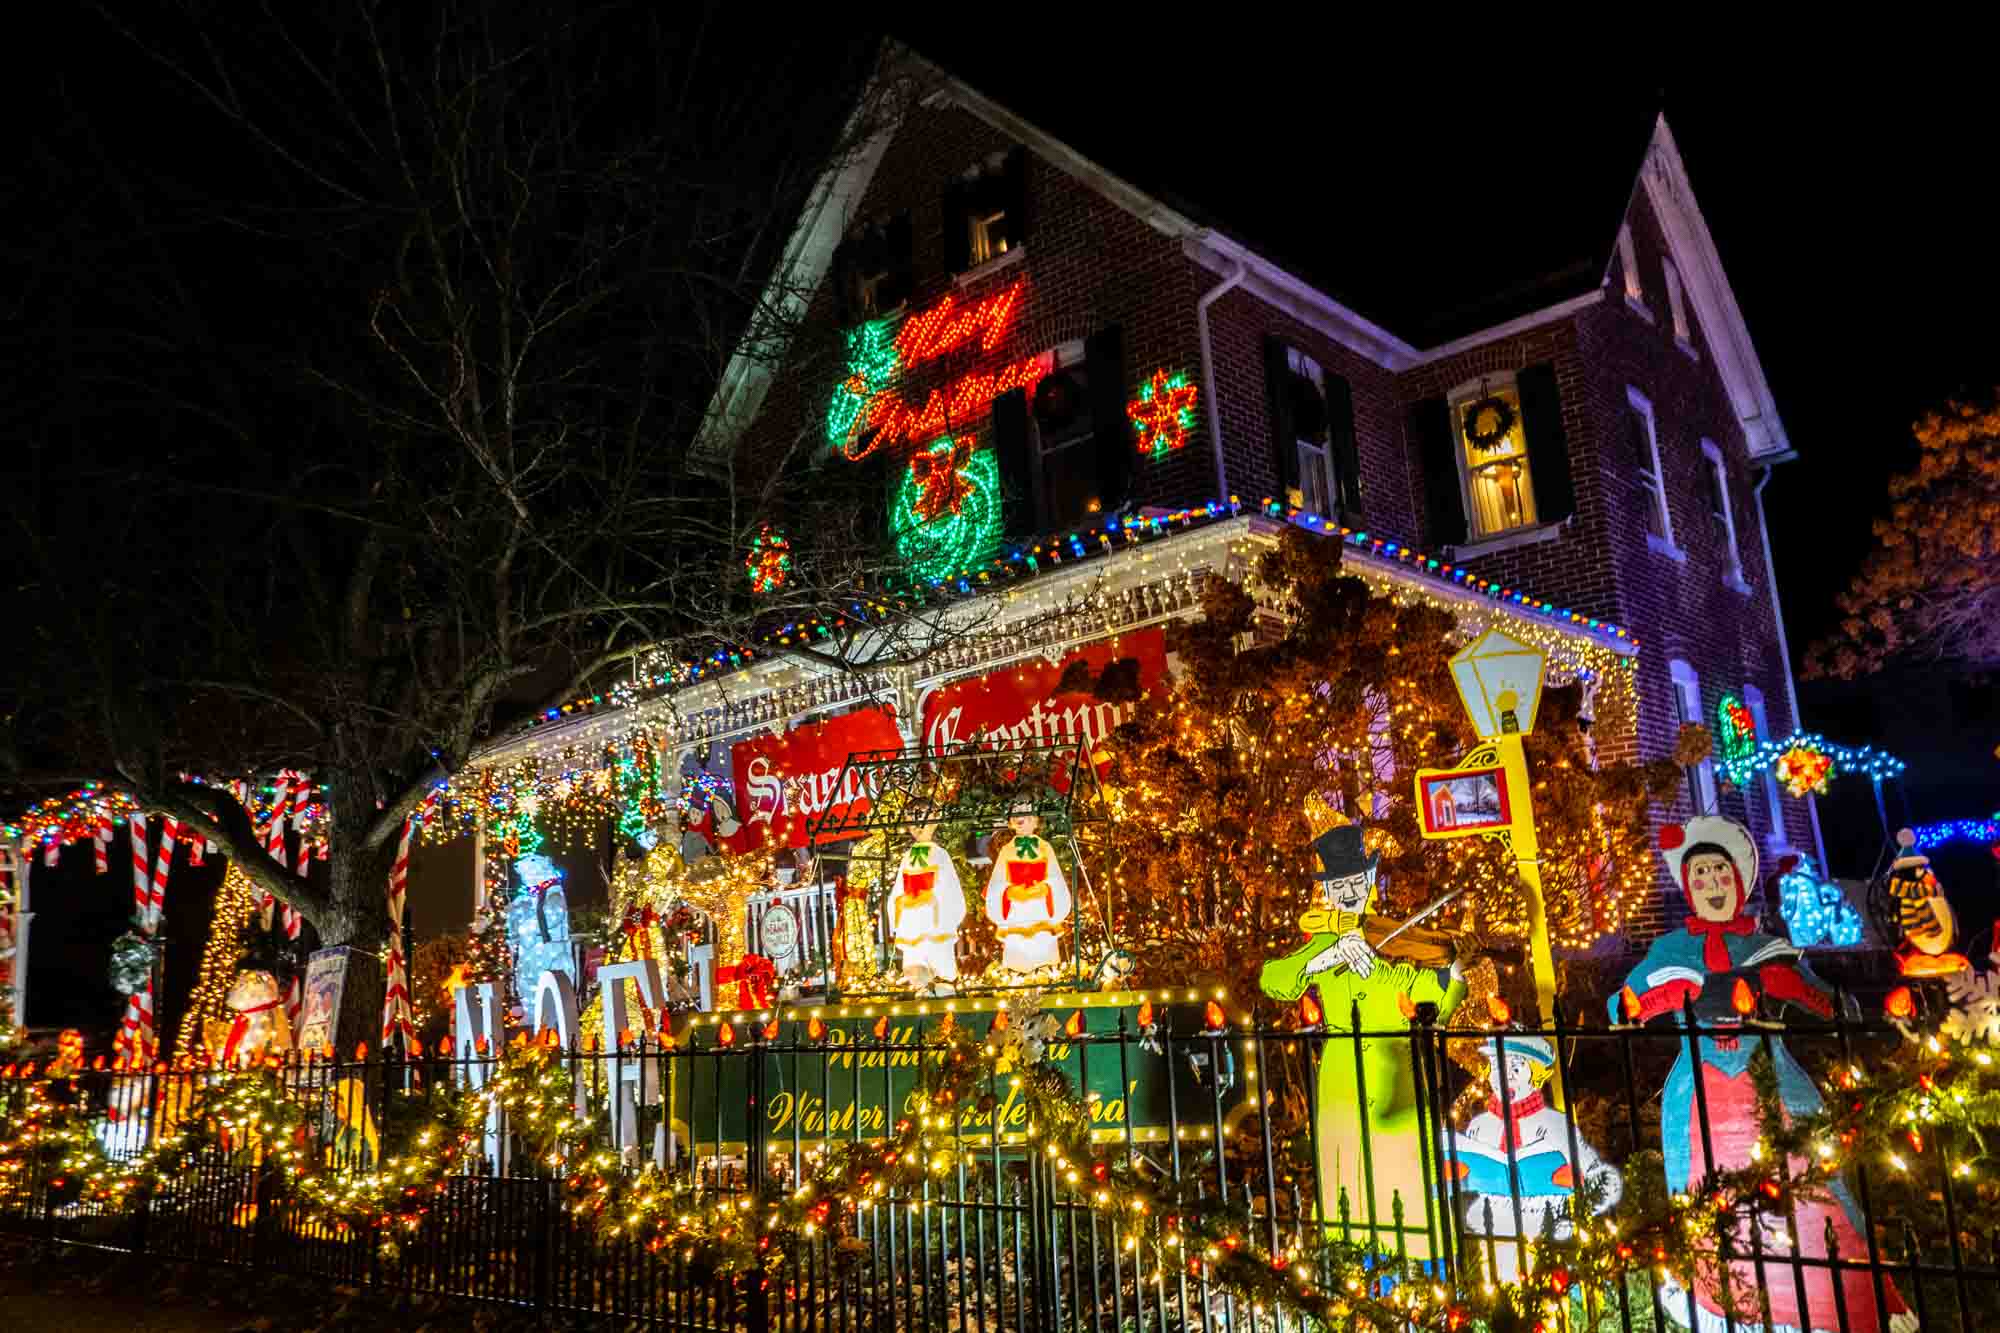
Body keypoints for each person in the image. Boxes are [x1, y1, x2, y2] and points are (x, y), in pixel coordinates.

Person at [1614, 816, 1913, 1333]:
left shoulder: (1765, 946)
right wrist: (1647, 998)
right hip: (1699, 1097)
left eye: (1719, 873)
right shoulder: (1669, 952)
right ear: (1688, 886)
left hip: (1771, 1084)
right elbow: (1619, 1009)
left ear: (1739, 879)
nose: (1711, 885)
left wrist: (1801, 989)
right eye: (1700, 875)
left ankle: (1833, 1304)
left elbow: (1832, 1005)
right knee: (1706, 1195)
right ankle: (1718, 1301)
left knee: (1810, 1184)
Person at [1260, 804, 1463, 1258]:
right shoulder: (1323, 940)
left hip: (1395, 1066)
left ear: (1370, 883)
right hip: (1341, 1075)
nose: (1351, 892)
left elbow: (1440, 1000)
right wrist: (1324, 958)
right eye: (1340, 885)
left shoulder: (1391, 941)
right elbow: (1273, 979)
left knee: (1402, 1167)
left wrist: (1453, 968)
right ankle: (1351, 1263)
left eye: (1358, 882)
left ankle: (1410, 1264)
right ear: (1328, 890)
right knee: (1347, 1168)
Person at [1446, 1031, 1620, 1282]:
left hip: (1545, 1227)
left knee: (1547, 1296)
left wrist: (1579, 1186)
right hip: (1494, 1225)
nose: (1504, 1077)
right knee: (1500, 1292)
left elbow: (1597, 1175)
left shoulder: (1554, 1123)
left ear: (1535, 1074)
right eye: (1497, 1066)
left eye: (1516, 1068)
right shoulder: (1480, 1125)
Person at [983, 799, 1072, 974]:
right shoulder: (1007, 851)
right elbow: (998, 881)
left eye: (1025, 810)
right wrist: (1009, 892)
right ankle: (1018, 970)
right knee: (1017, 947)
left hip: (1040, 907)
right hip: (1017, 909)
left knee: (1043, 942)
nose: (1020, 816)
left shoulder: (1045, 848)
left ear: (1036, 819)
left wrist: (1046, 888)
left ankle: (1045, 970)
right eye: (1016, 810)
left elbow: (1055, 876)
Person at [889, 801, 966, 990]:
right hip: (912, 923)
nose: (917, 824)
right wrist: (899, 904)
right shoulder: (907, 858)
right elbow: (898, 889)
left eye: (922, 817)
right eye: (912, 818)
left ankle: (944, 989)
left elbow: (950, 887)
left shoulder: (940, 855)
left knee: (941, 967)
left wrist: (934, 901)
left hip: (935, 923)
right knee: (915, 970)